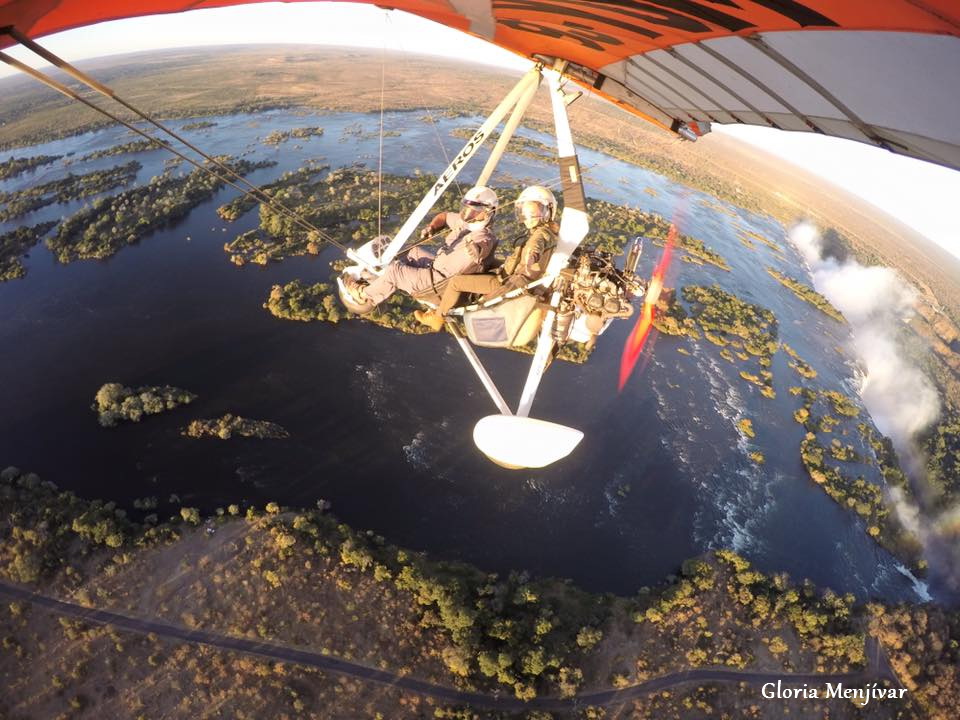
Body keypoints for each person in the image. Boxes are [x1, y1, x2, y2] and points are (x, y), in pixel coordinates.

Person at [414, 185, 558, 330]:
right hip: (510, 276)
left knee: (456, 282)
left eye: (534, 212)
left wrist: (532, 256)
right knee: (485, 263)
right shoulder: (547, 232)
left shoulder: (541, 235)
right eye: (527, 211)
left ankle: (437, 318)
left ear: (547, 211)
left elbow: (536, 246)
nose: (529, 216)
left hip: (505, 284)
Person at [342, 186, 498, 307]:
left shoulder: (483, 237)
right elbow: (443, 217)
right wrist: (433, 227)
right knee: (409, 251)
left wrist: (478, 249)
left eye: (475, 211)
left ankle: (364, 295)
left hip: (441, 285)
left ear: (489, 212)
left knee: (395, 271)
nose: (468, 215)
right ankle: (382, 283)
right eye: (467, 209)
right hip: (434, 267)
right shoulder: (467, 223)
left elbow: (482, 248)